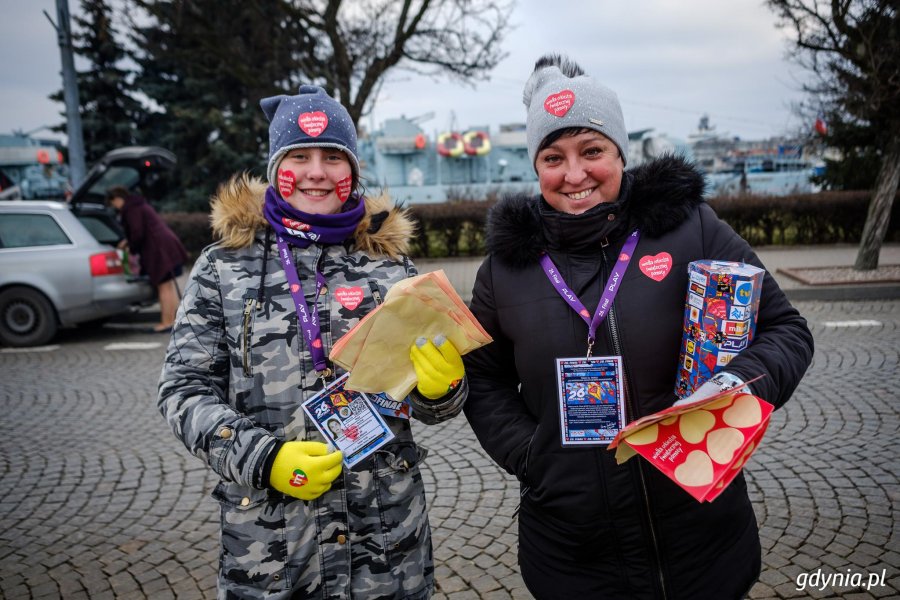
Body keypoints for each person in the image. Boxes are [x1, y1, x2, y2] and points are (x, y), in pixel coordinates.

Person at [463, 54, 814, 599]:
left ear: (621, 154)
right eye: (553, 156)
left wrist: (734, 390)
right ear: (536, 167)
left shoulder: (690, 227)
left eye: (593, 151)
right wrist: (533, 457)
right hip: (573, 551)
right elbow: (481, 379)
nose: (574, 174)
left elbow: (786, 329)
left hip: (702, 535)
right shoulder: (505, 269)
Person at [157, 84, 467, 599]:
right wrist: (263, 457)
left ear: (353, 171)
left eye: (332, 157)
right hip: (273, 551)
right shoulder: (223, 266)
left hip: (387, 547)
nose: (316, 172)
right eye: (298, 156)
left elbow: (431, 403)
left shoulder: (388, 266)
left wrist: (442, 390)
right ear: (276, 165)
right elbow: (182, 392)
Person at [106, 186, 187, 333]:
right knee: (168, 285)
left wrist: (131, 246)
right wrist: (127, 241)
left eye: (113, 204)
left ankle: (166, 322)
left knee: (163, 287)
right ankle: (174, 321)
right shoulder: (138, 204)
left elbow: (137, 232)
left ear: (117, 199)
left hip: (158, 251)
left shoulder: (130, 209)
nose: (115, 208)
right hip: (166, 246)